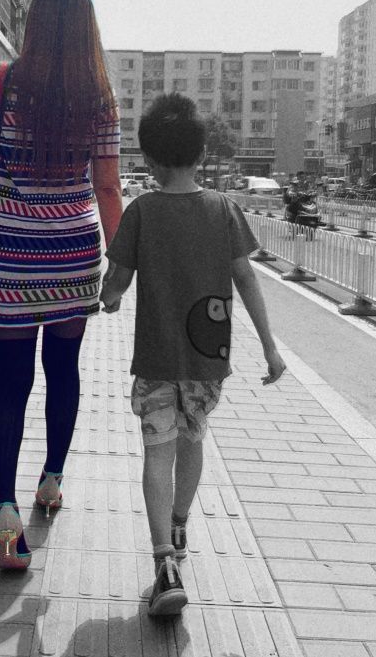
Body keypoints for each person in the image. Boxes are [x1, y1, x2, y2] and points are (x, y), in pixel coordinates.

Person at [0, 0, 123, 570]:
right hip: (73, 254)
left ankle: (6, 516)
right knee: (64, 370)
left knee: (12, 381)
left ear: (33, 24)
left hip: (12, 254)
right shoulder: (99, 98)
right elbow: (107, 188)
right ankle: (51, 480)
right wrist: (122, 267)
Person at [99, 94, 286, 617]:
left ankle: (164, 563)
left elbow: (117, 281)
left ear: (149, 159)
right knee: (193, 438)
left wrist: (109, 298)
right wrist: (269, 347)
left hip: (157, 357)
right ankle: (180, 523)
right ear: (202, 154)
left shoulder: (141, 212)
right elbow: (246, 278)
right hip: (208, 358)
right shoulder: (224, 209)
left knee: (157, 452)